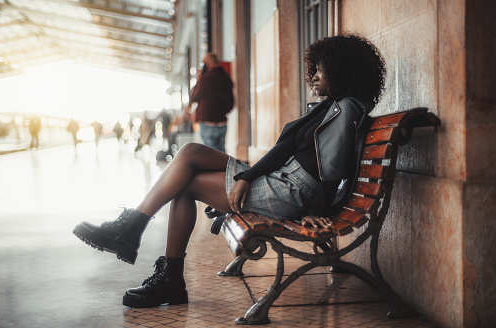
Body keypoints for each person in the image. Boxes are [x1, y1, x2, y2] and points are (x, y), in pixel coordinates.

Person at [73, 34, 386, 309]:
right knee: (190, 153)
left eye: (320, 69)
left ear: (342, 69)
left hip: (291, 192)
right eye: (313, 68)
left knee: (185, 180)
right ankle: (137, 236)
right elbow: (282, 150)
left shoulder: (345, 111)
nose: (313, 77)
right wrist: (247, 177)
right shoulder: (330, 106)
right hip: (281, 181)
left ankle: (144, 247)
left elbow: (331, 168)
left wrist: (320, 210)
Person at [186, 53, 233, 153]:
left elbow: (194, 97)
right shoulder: (226, 77)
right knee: (222, 153)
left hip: (207, 122)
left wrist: (199, 79)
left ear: (206, 65)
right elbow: (231, 102)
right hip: (222, 122)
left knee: (210, 155)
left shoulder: (206, 79)